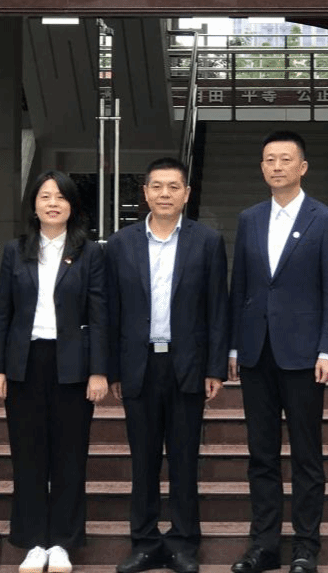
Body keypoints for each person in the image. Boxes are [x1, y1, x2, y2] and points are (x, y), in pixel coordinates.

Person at [228, 131, 328, 573]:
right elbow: (240, 285)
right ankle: (264, 545)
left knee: (305, 455)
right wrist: (234, 345)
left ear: (303, 167)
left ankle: (305, 545)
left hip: (303, 355)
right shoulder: (249, 219)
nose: (276, 166)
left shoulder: (326, 220)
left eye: (285, 159)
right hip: (256, 352)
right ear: (262, 167)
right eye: (269, 159)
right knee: (261, 454)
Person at [106, 157, 230, 573]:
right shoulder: (120, 244)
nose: (164, 194)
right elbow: (111, 311)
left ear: (186, 194)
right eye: (156, 186)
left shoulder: (207, 242)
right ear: (145, 193)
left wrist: (214, 368)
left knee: (183, 459)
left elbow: (217, 309)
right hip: (138, 365)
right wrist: (113, 369)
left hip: (187, 364)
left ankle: (182, 543)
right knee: (142, 461)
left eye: (173, 187)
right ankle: (143, 541)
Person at [0, 169, 109, 573]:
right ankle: (33, 541)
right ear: (34, 205)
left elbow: (100, 314)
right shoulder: (15, 250)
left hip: (73, 365)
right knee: (28, 456)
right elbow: (1, 312)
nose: (53, 203)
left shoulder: (90, 253)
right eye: (45, 197)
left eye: (60, 197)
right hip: (25, 363)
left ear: (72, 205)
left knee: (70, 456)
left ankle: (63, 543)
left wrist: (99, 371)